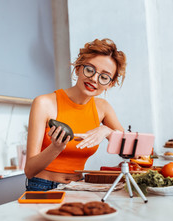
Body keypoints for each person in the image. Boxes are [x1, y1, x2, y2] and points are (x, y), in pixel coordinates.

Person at [24, 38, 127, 191]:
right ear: (78, 68)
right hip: (43, 186)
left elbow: (130, 151)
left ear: (110, 84)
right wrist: (56, 147)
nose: (94, 79)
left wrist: (107, 131)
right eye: (89, 69)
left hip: (79, 186)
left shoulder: (103, 108)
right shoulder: (44, 103)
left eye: (104, 77)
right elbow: (29, 170)